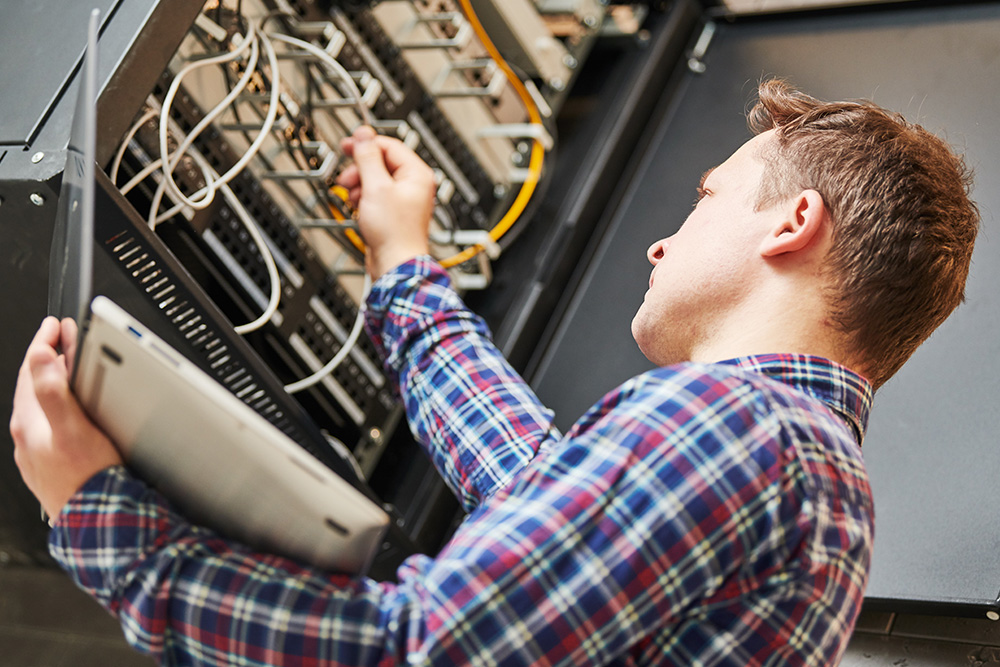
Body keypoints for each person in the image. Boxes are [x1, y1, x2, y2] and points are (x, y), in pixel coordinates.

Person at [10, 79, 978, 665]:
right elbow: (530, 480)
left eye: (704, 199)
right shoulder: (805, 470)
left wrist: (97, 514)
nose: (657, 244)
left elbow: (412, 651)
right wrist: (402, 262)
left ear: (790, 222)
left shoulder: (736, 428)